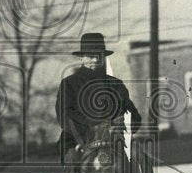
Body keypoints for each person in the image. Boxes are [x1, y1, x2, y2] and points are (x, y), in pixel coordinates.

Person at [55, 32, 142, 165]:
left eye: (99, 56)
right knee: (72, 159)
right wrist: (94, 127)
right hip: (79, 140)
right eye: (91, 56)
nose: (95, 60)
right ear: (82, 58)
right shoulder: (69, 84)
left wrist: (121, 126)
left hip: (115, 140)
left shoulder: (116, 84)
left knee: (138, 155)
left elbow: (133, 115)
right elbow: (65, 116)